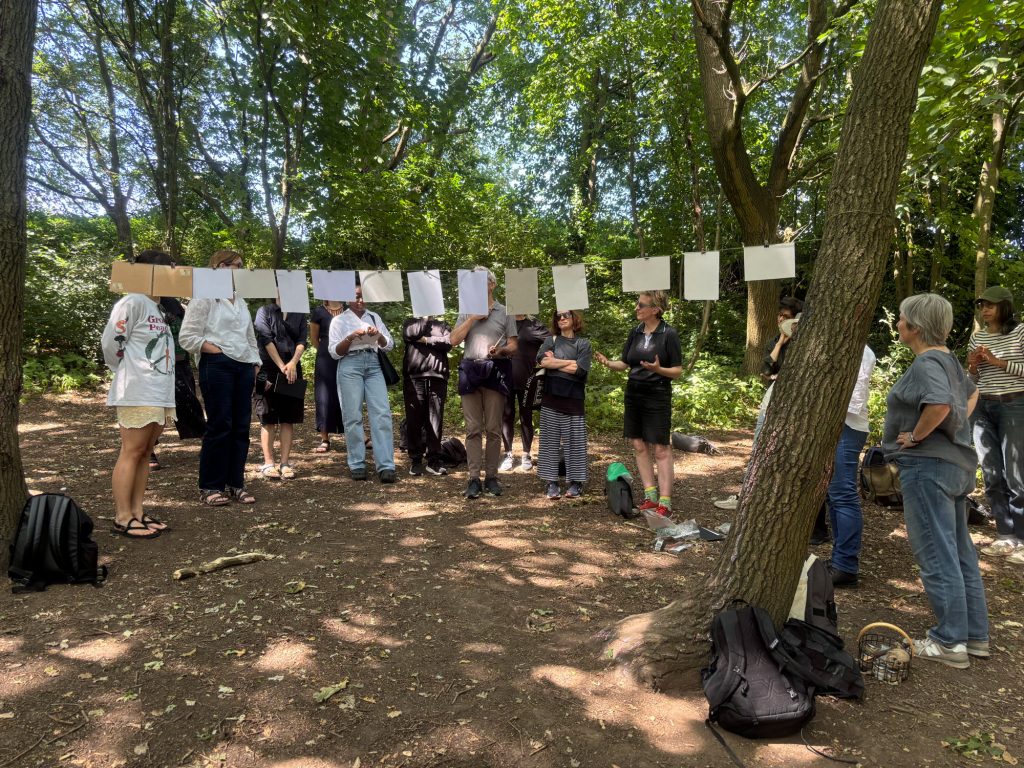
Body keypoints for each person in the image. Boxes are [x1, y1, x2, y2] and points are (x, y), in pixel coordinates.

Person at [882, 293, 988, 668]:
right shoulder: (951, 361)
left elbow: (940, 404)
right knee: (959, 552)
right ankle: (974, 636)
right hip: (956, 465)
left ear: (914, 327)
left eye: (900, 319)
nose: (897, 324)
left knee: (935, 552)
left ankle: (949, 642)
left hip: (929, 467)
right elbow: (971, 395)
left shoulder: (928, 363)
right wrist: (954, 428)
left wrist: (917, 435)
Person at [100, 252, 177, 539]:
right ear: (149, 272)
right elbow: (111, 343)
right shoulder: (132, 301)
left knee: (145, 453)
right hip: (137, 389)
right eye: (167, 270)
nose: (173, 276)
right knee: (132, 451)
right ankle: (123, 516)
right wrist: (124, 370)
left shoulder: (158, 307)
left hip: (159, 391)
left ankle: (138, 511)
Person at [179, 249, 262, 506]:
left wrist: (255, 360)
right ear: (220, 267)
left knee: (241, 427)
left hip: (244, 367)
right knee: (220, 425)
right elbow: (187, 337)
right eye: (236, 265)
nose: (239, 269)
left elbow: (249, 335)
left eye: (240, 265)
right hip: (217, 366)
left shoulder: (240, 300)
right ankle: (211, 486)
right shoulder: (204, 297)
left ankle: (235, 483)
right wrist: (215, 350)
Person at [595, 290, 682, 516]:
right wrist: (607, 363)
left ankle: (665, 502)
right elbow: (624, 363)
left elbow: (677, 371)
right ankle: (650, 496)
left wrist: (658, 369)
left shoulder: (668, 334)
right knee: (638, 445)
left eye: (641, 305)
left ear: (655, 310)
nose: (637, 308)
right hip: (633, 393)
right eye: (637, 304)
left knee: (661, 448)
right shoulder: (635, 332)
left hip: (657, 394)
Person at [714, 296, 804, 511]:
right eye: (780, 315)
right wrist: (781, 342)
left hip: (793, 406)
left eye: (787, 317)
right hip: (772, 401)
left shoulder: (803, 344)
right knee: (758, 446)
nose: (781, 320)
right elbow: (766, 371)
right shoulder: (775, 341)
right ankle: (745, 495)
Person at [966, 286, 1024, 562]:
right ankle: (1005, 535)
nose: (985, 310)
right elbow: (974, 379)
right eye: (982, 305)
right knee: (991, 472)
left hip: (1014, 404)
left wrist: (996, 361)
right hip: (983, 406)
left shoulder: (1020, 332)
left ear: (1005, 307)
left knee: (1016, 474)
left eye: (990, 305)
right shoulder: (976, 337)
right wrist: (974, 365)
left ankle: (1022, 539)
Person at [451, 266, 519, 499]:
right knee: (472, 429)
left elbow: (514, 345)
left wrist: (501, 350)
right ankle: (473, 479)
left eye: (482, 281)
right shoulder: (466, 309)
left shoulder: (505, 310)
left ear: (492, 284)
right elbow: (453, 340)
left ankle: (491, 477)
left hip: (496, 370)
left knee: (493, 428)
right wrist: (472, 318)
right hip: (470, 370)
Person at [138, 250, 206, 470]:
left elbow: (186, 329)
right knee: (153, 410)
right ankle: (148, 450)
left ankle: (205, 439)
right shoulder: (136, 302)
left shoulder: (172, 302)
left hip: (178, 362)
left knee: (187, 401)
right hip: (149, 368)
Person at [328, 284, 397, 482]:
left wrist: (378, 335)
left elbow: (389, 345)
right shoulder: (339, 321)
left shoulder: (374, 317)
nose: (360, 301)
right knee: (352, 415)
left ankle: (385, 465)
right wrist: (351, 336)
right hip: (350, 365)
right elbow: (334, 352)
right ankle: (357, 462)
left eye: (363, 297)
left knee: (382, 413)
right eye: (356, 297)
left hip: (374, 364)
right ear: (348, 299)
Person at [826, 345, 877, 587]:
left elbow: (853, 399)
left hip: (847, 426)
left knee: (843, 493)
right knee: (832, 495)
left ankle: (846, 566)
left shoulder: (858, 349)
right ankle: (839, 559)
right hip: (833, 425)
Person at [536, 310, 591, 499]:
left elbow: (580, 369)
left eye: (566, 315)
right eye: (558, 316)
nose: (562, 318)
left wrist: (555, 362)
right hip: (551, 397)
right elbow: (542, 362)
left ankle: (576, 483)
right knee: (549, 442)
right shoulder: (550, 341)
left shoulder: (583, 344)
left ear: (575, 318)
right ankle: (551, 483)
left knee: (575, 442)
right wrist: (567, 363)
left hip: (574, 399)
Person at [253, 298, 308, 479]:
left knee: (288, 417)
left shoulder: (299, 313)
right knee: (267, 417)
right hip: (266, 368)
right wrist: (281, 365)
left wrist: (292, 363)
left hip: (293, 368)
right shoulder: (264, 311)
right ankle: (269, 463)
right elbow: (266, 339)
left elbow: (302, 340)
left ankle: (285, 463)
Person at [402, 314, 453, 477]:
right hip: (414, 377)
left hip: (438, 377)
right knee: (414, 419)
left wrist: (425, 340)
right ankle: (416, 460)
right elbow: (411, 334)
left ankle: (434, 460)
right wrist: (424, 319)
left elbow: (447, 343)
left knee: (435, 420)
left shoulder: (443, 325)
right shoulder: (410, 322)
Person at [500, 314, 550, 472]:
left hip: (527, 379)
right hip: (504, 378)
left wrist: (544, 358)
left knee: (525, 417)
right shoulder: (505, 321)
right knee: (506, 416)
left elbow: (552, 342)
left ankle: (526, 454)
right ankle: (508, 454)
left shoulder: (534, 324)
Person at [309, 300, 345, 453]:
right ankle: (325, 437)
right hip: (325, 355)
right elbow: (314, 339)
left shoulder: (348, 309)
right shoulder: (318, 312)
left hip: (346, 353)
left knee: (349, 393)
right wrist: (327, 350)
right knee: (324, 394)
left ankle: (358, 434)